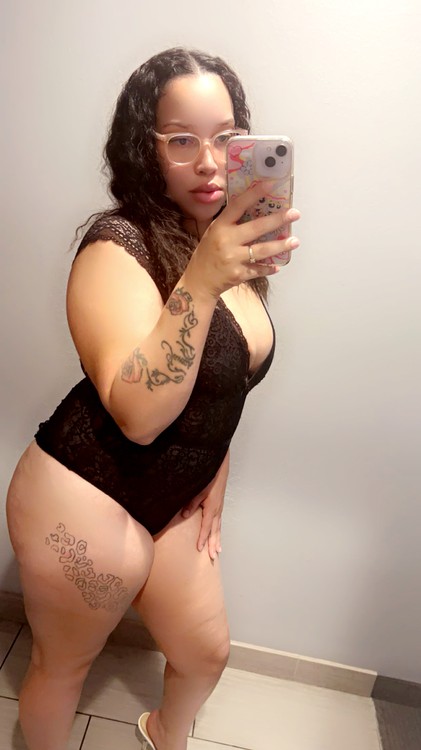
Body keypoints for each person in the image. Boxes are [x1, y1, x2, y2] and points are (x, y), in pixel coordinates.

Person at [6, 47, 300, 750]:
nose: (209, 162)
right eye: (181, 140)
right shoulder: (117, 245)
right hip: (86, 490)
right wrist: (201, 279)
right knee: (62, 667)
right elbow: (138, 418)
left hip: (173, 500)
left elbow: (225, 382)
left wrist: (216, 470)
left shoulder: (223, 243)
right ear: (145, 148)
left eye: (226, 138)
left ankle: (164, 734)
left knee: (205, 653)